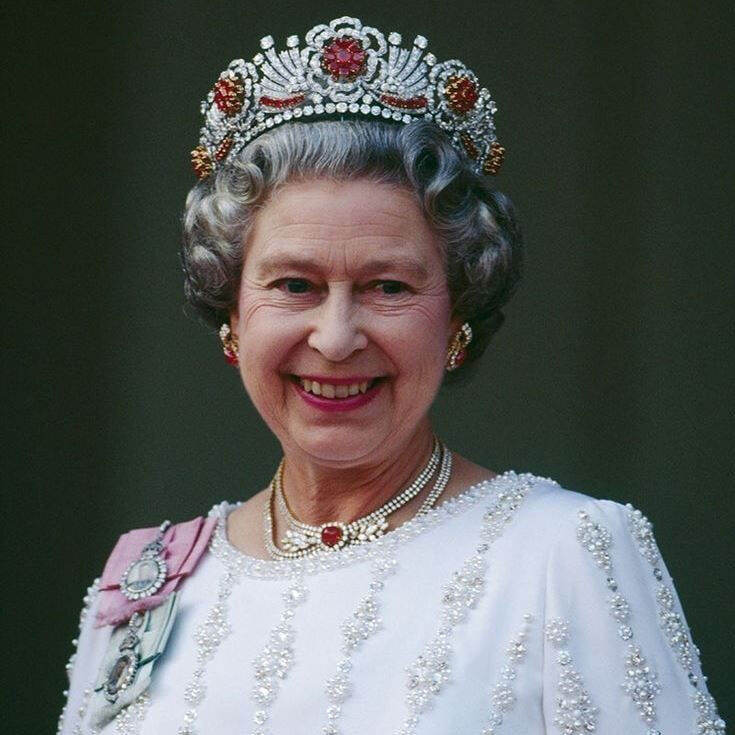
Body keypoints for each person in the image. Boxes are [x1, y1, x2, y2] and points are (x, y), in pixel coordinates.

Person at [58, 17, 726, 735]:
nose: (337, 338)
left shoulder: (561, 552)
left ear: (458, 315)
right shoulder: (151, 581)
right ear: (231, 311)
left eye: (388, 287)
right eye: (293, 285)